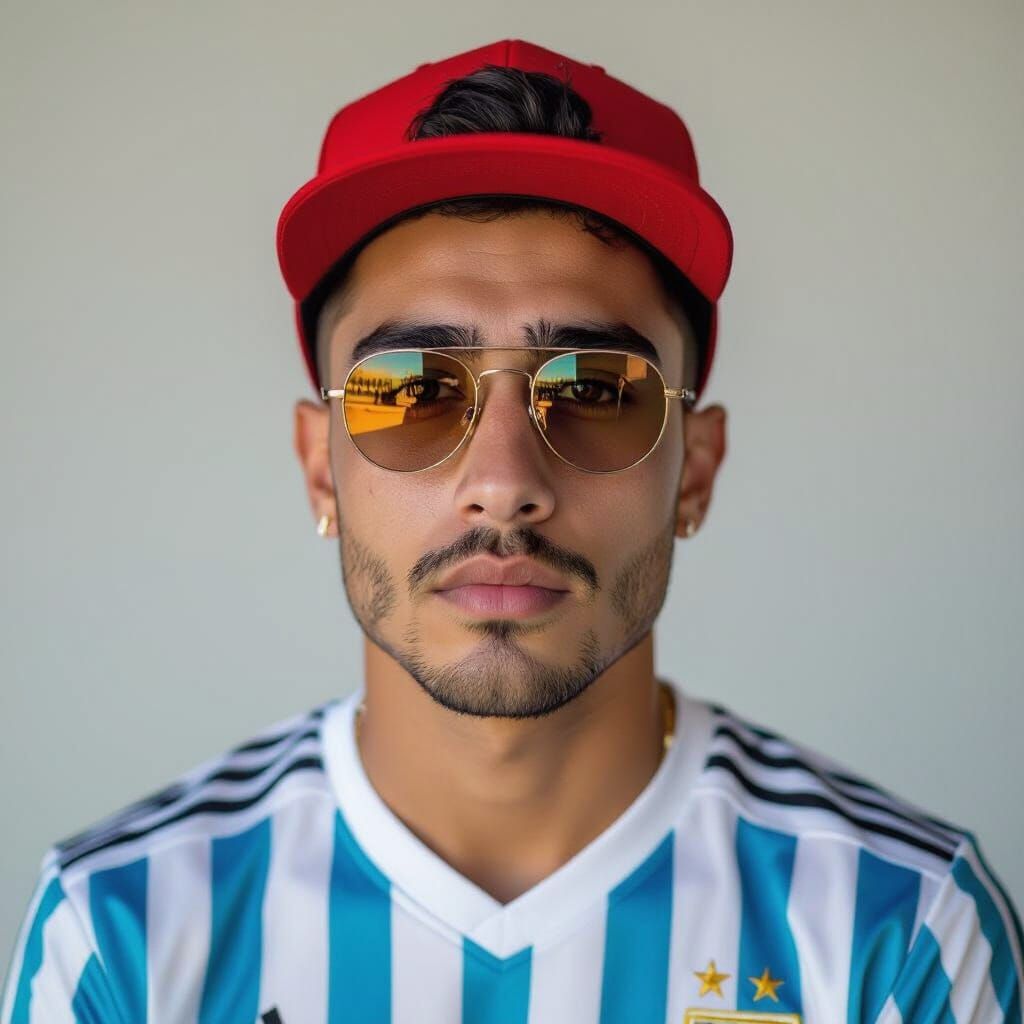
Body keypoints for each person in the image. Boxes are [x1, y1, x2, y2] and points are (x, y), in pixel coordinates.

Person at [3, 37, 1021, 1024]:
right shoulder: (122, 932)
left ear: (693, 471)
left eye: (592, 387)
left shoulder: (897, 927)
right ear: (321, 465)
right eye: (406, 393)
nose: (500, 483)